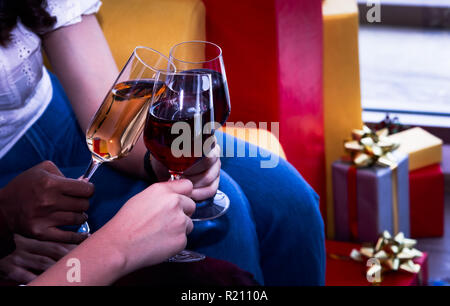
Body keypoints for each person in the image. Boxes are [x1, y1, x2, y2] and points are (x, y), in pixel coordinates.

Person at [0, 0, 325, 285]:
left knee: (290, 202)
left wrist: (156, 160)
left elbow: (106, 110)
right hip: (9, 171)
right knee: (218, 217)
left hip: (68, 114)